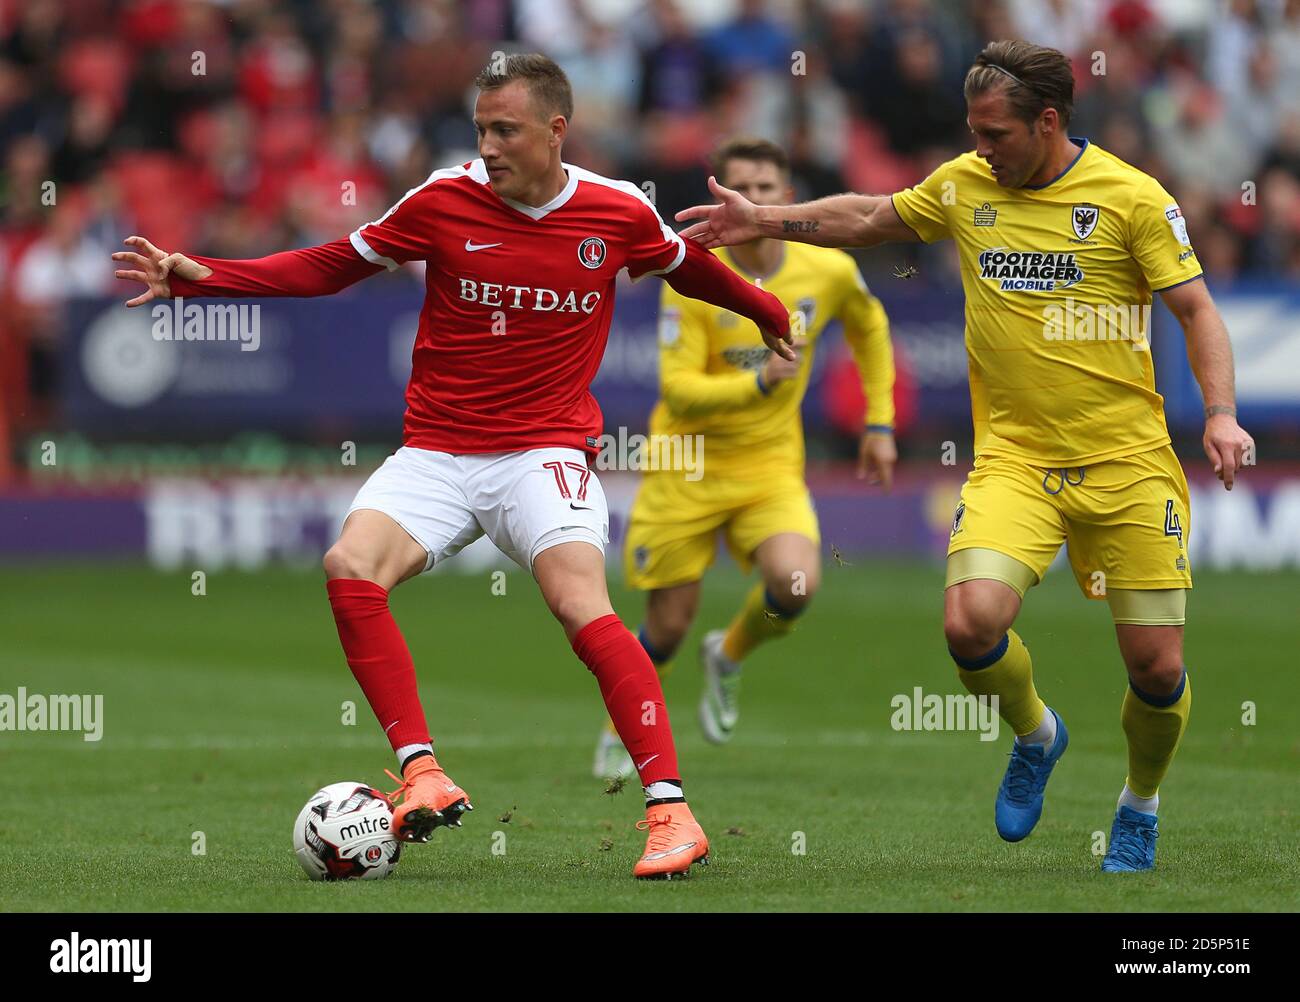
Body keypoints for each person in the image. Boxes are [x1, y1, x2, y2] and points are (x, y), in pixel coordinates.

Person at [113, 53, 793, 880]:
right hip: (436, 450)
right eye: (481, 129)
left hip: (544, 450)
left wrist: (764, 311)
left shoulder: (617, 212)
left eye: (506, 129)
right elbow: (333, 264)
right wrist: (204, 277)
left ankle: (671, 813)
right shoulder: (442, 199)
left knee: (581, 604)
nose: (489, 145)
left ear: (555, 130)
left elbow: (690, 268)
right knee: (349, 565)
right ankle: (422, 769)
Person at [676, 40, 1255, 873]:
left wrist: (1223, 414)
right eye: (973, 132)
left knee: (1157, 670)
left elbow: (1197, 311)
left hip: (1129, 463)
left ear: (1048, 122)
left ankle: (1140, 801)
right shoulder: (965, 185)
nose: (980, 149)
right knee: (968, 624)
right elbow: (871, 217)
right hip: (1016, 460)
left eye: (996, 134)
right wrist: (762, 219)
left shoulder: (1132, 198)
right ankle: (1037, 735)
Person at [594, 137, 897, 778]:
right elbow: (678, 389)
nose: (753, 199)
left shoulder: (827, 270)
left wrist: (879, 420)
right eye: (742, 187)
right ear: (720, 197)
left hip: (769, 469)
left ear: (786, 198)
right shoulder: (695, 277)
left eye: (765, 188)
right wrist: (758, 382)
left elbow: (870, 327)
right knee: (667, 627)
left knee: (795, 585)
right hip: (686, 467)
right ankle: (631, 725)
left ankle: (727, 656)